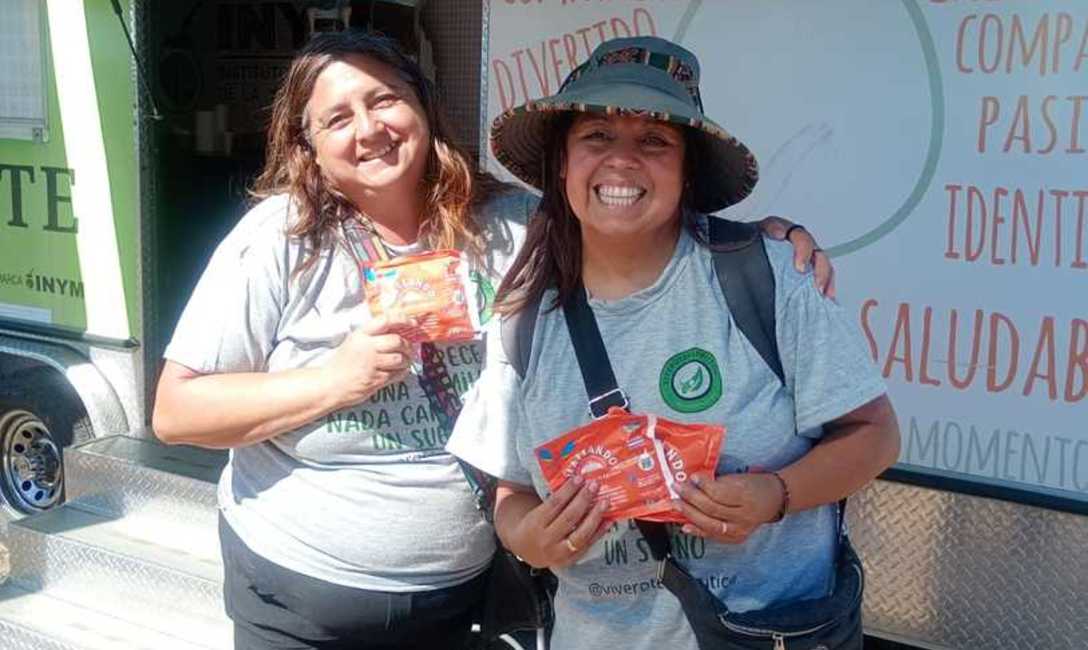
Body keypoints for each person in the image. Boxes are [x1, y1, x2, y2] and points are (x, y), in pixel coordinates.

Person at [152, 31, 835, 649]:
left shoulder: (514, 223)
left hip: (467, 596)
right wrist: (333, 379)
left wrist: (764, 238)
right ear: (308, 146)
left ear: (423, 108)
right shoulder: (281, 239)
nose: (369, 129)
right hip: (302, 598)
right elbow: (177, 413)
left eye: (384, 100)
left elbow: (629, 212)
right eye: (337, 118)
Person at [447, 36, 901, 650]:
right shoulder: (524, 318)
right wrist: (528, 537)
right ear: (562, 163)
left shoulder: (767, 277)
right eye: (597, 136)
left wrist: (776, 495)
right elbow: (512, 488)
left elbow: (875, 435)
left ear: (687, 171)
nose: (622, 161)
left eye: (654, 140)